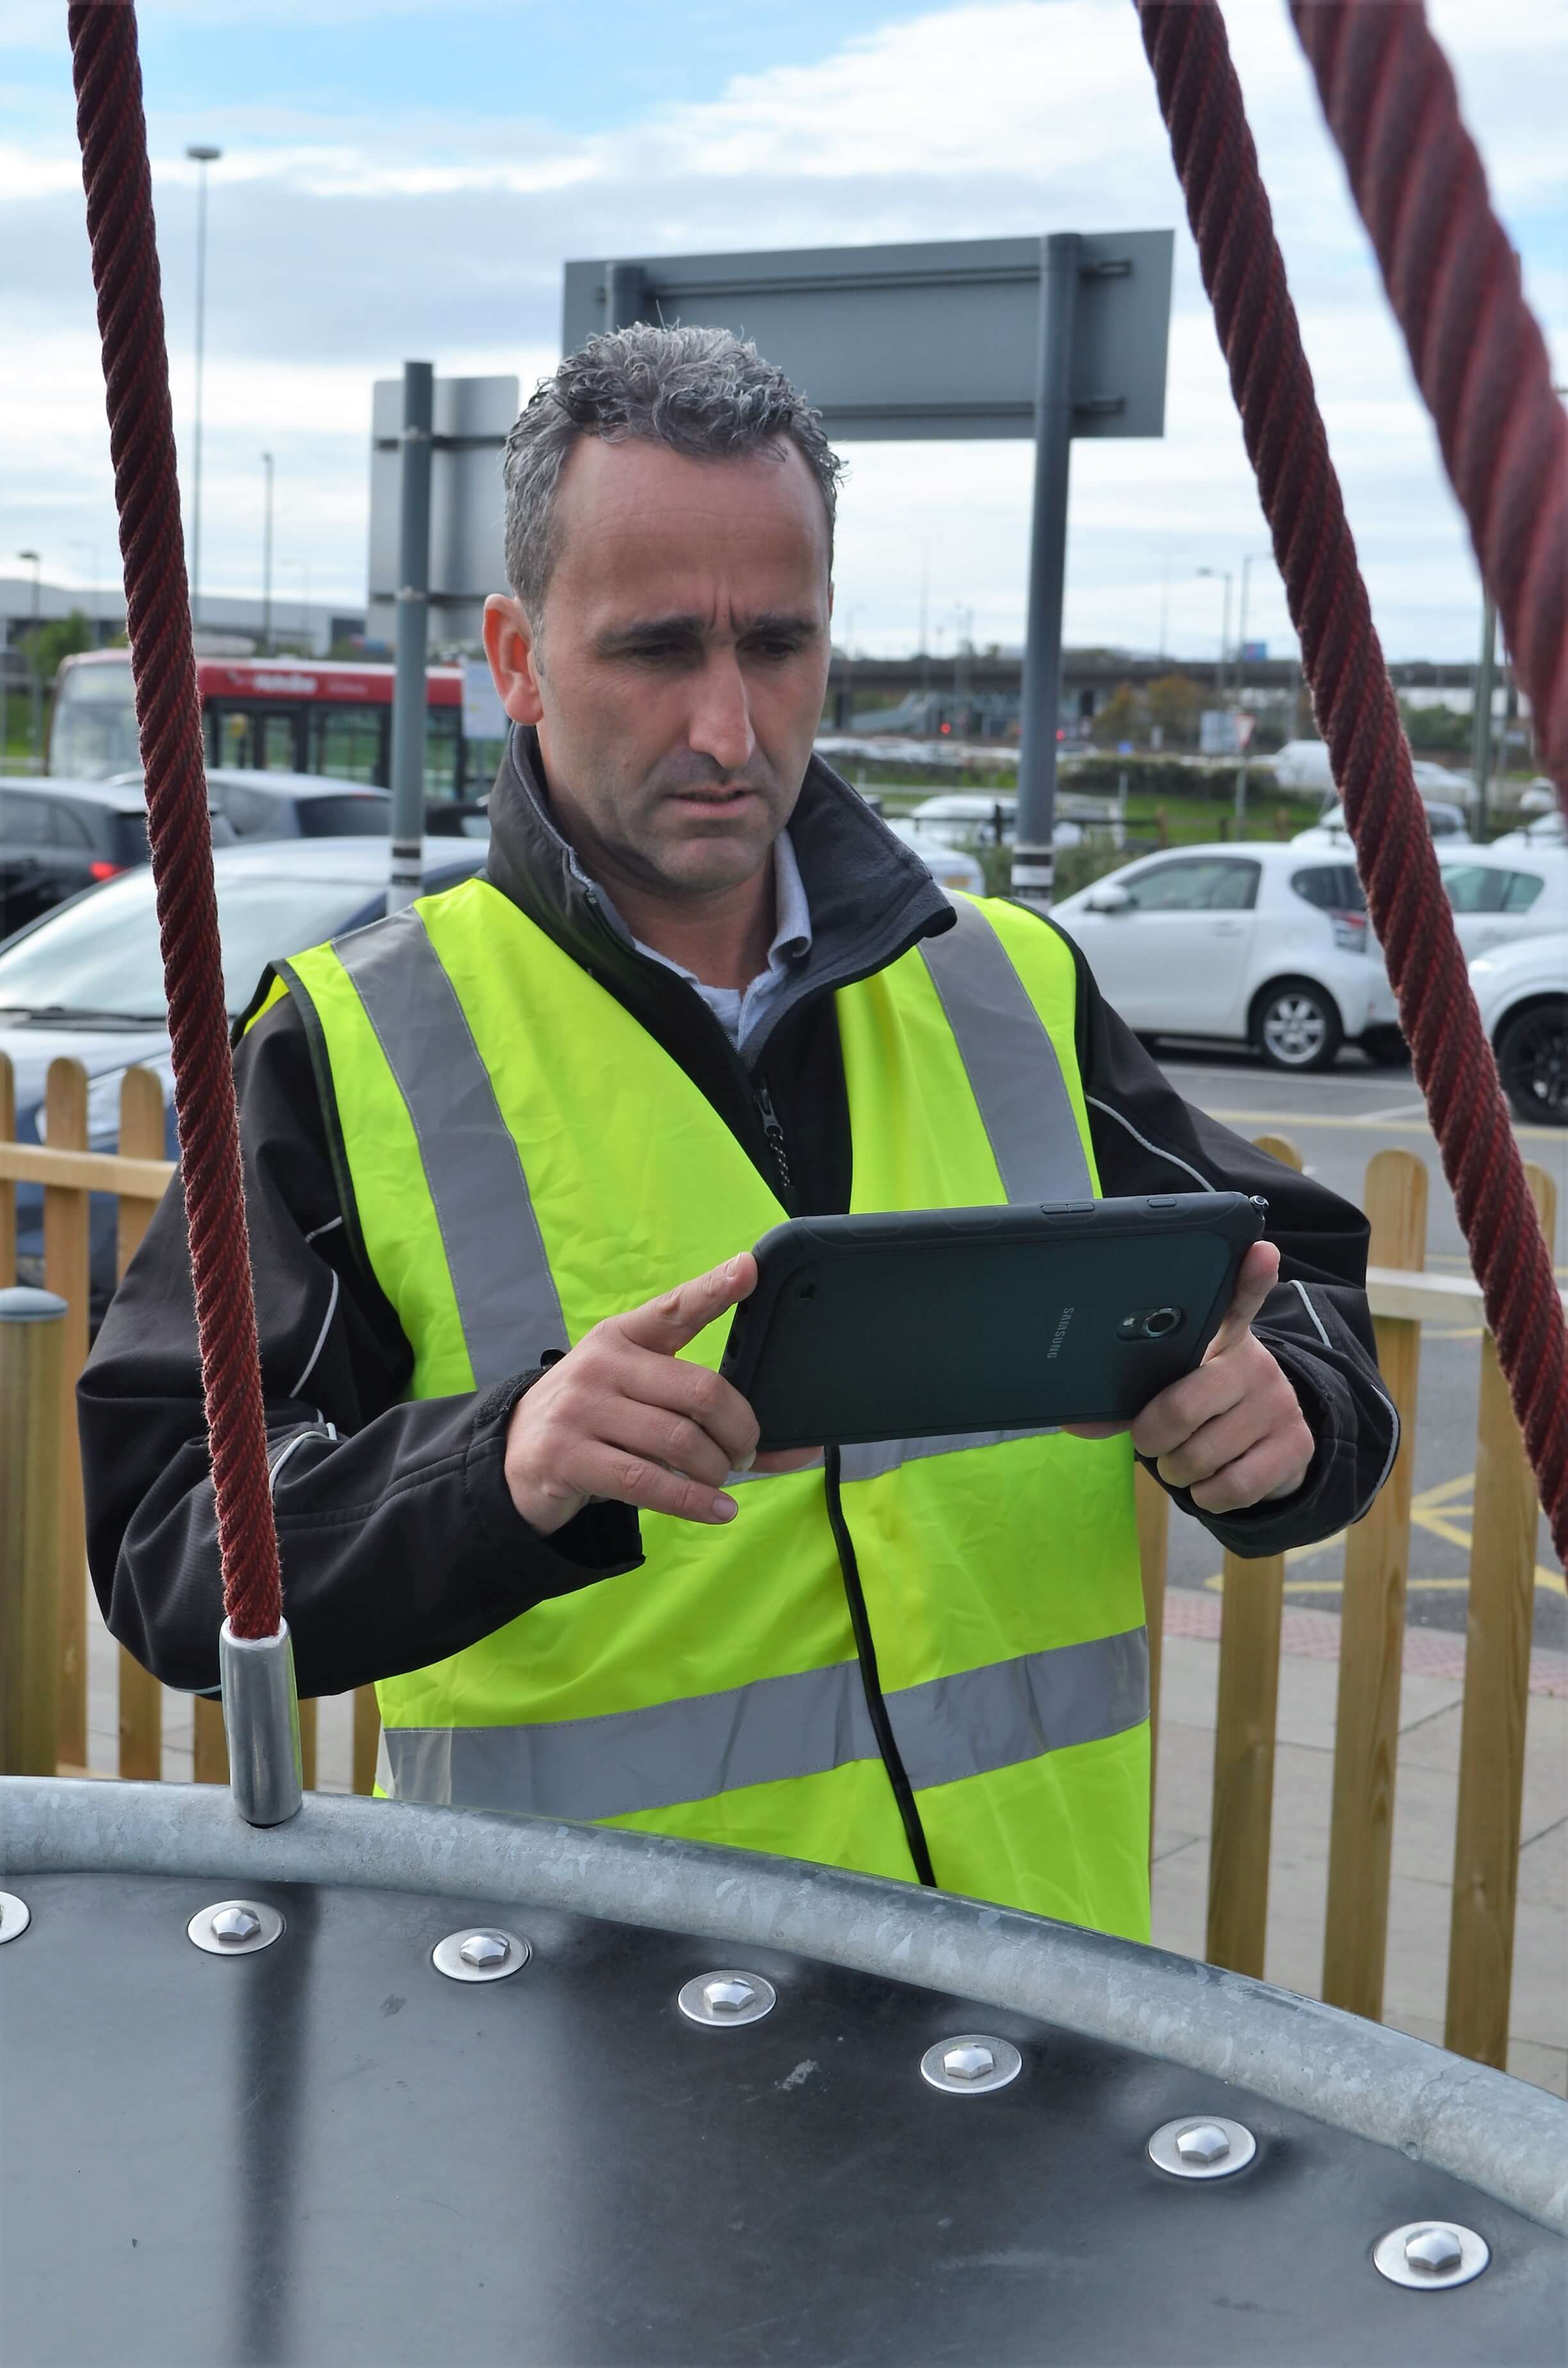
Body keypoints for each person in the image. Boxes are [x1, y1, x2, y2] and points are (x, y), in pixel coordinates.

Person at [81, 325, 1396, 1942]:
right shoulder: (354, 1043)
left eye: (778, 643)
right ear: (514, 656)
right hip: (598, 2060)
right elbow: (173, 1546)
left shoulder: (1011, 985)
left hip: (1040, 2006)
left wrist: (1294, 1423)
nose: (728, 727)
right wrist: (494, 1471)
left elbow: (1299, 1277)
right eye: (653, 650)